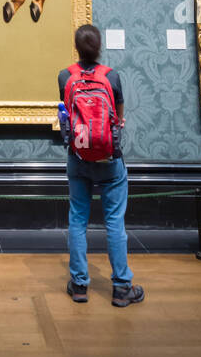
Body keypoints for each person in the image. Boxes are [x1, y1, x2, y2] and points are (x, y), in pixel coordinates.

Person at [59, 24, 144, 307]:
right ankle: (121, 287)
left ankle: (80, 285)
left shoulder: (64, 76)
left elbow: (68, 112)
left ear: (76, 47)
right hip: (109, 158)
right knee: (114, 222)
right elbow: (119, 118)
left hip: (78, 157)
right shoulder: (112, 76)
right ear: (99, 47)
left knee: (77, 219)